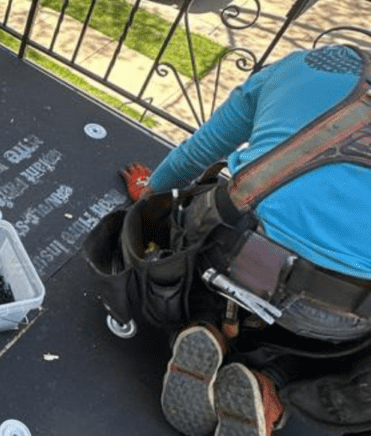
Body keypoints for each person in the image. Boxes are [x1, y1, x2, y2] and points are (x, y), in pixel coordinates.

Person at [119, 44, 371, 436]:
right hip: (339, 309)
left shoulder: (302, 65)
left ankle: (205, 324)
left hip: (229, 251)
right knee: (342, 348)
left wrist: (150, 198)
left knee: (209, 228)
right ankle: (272, 388)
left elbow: (197, 153)